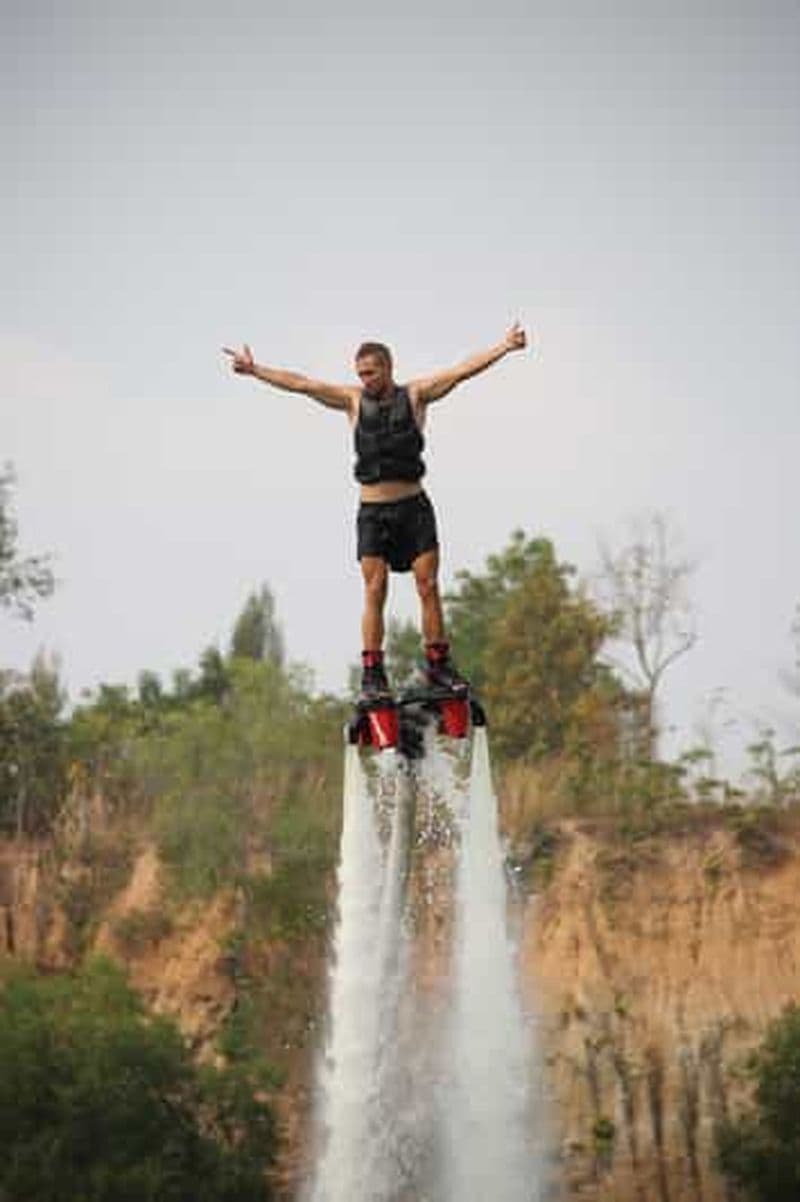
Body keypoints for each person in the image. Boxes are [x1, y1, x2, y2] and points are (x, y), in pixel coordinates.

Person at [223, 323, 528, 699]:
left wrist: (505, 346)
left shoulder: (416, 395)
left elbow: (462, 370)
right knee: (375, 587)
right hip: (373, 513)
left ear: (388, 368)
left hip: (414, 509)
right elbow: (302, 384)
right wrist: (256, 370)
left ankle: (438, 667)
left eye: (370, 372)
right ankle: (373, 673)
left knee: (428, 585)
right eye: (360, 374)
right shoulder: (352, 400)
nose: (365, 380)